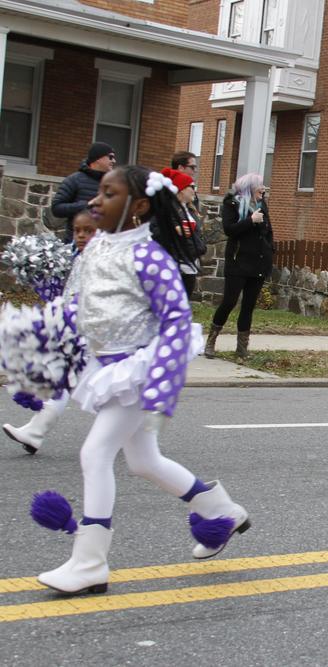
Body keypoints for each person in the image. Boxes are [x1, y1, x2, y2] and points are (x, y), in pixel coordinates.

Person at [28, 165, 249, 596]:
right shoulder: (97, 249)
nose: (94, 201)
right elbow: (77, 305)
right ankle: (222, 511)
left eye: (108, 194)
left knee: (95, 453)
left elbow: (177, 322)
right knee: (144, 462)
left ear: (139, 207)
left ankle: (90, 562)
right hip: (107, 369)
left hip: (135, 372)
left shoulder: (149, 257)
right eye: (98, 192)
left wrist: (159, 384)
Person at [2, 211, 97, 455]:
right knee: (74, 383)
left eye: (88, 231)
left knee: (75, 382)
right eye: (77, 231)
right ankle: (35, 432)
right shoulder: (78, 257)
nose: (81, 236)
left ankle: (124, 429)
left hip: (92, 332)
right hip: (74, 330)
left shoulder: (102, 260)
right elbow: (68, 292)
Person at [205, 173, 273, 359]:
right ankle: (211, 341)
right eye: (260, 185)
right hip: (238, 262)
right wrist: (250, 221)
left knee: (248, 306)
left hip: (258, 263)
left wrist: (269, 254)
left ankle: (242, 348)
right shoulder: (232, 204)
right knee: (229, 301)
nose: (264, 189)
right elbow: (230, 229)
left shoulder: (261, 205)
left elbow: (268, 233)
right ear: (250, 187)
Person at [51, 142, 116, 242]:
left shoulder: (113, 184)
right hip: (77, 245)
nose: (114, 161)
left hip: (102, 246)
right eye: (110, 157)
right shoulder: (74, 180)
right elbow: (56, 208)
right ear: (98, 158)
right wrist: (84, 206)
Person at [161, 167, 206, 298]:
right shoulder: (169, 209)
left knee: (184, 304)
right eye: (191, 186)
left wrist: (201, 247)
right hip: (176, 264)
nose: (194, 190)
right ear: (180, 189)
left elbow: (196, 235)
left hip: (190, 263)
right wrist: (176, 230)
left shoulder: (190, 210)